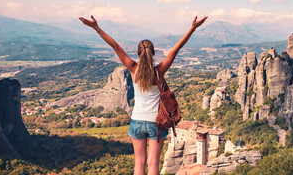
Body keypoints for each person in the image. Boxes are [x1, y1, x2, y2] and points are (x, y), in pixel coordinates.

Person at [79, 15, 207, 175]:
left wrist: (97, 28)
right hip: (156, 123)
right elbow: (176, 49)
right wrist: (192, 28)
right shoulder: (159, 72)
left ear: (138, 53)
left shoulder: (133, 69)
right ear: (153, 53)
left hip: (137, 121)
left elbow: (115, 46)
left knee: (139, 164)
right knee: (153, 164)